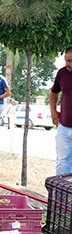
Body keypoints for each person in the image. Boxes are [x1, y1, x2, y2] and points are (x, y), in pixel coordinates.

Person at [50, 47, 72, 175]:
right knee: (62, 162)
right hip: (64, 127)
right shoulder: (62, 73)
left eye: (70, 61)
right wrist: (53, 111)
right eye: (66, 60)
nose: (67, 64)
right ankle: (61, 194)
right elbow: (53, 93)